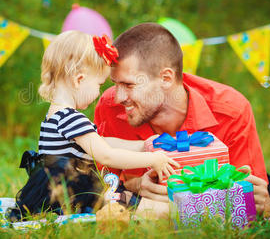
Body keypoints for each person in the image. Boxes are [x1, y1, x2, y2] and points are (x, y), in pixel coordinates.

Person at [94, 23, 270, 216]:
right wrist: (138, 185)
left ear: (165, 78)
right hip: (149, 212)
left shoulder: (230, 111)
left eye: (129, 85)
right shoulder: (110, 107)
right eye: (116, 84)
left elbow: (261, 203)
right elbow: (102, 188)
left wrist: (259, 202)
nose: (118, 97)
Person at [9, 30, 179, 220]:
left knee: (131, 200)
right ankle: (185, 212)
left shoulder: (55, 114)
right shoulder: (71, 118)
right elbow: (106, 155)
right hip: (74, 193)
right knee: (150, 208)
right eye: (99, 84)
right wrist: (152, 159)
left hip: (58, 189)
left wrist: (142, 145)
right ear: (79, 79)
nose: (99, 93)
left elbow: (101, 141)